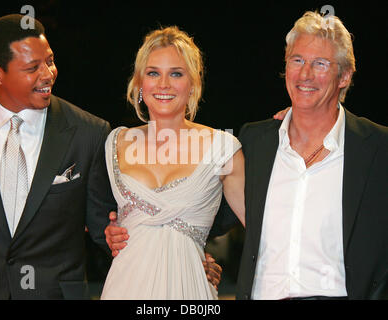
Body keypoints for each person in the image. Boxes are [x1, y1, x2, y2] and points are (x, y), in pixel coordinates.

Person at [108, 11, 388, 300]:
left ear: (344, 75)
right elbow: (206, 213)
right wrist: (181, 251)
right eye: (297, 61)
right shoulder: (257, 141)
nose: (305, 74)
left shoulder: (377, 149)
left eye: (320, 64)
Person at [0, 14, 117, 299]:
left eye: (49, 61)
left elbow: (107, 230)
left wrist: (180, 255)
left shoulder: (89, 133)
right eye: (32, 67)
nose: (48, 74)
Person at [100, 26, 245, 300]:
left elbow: (263, 226)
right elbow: (91, 212)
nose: (163, 84)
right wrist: (106, 229)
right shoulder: (114, 143)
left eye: (176, 74)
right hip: (123, 288)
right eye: (153, 73)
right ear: (139, 82)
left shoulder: (223, 148)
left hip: (191, 289)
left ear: (193, 83)